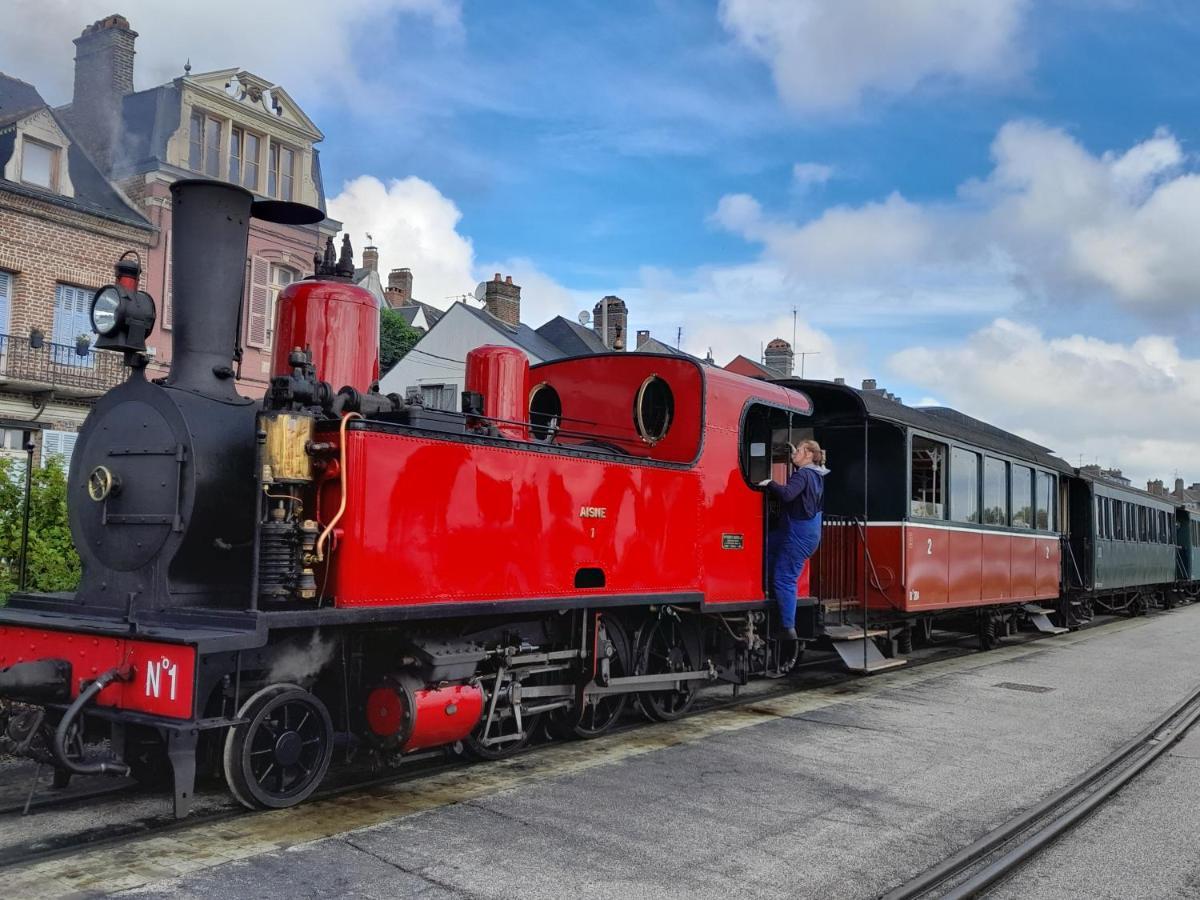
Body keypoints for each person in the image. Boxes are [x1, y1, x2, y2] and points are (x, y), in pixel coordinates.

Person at [759, 439, 829, 641]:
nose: (794, 454)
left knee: (785, 578)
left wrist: (769, 483)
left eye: (798, 451)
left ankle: (788, 628)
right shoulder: (816, 475)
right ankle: (768, 588)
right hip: (804, 532)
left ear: (808, 454)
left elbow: (788, 494)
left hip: (799, 534)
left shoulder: (804, 474)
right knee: (765, 546)